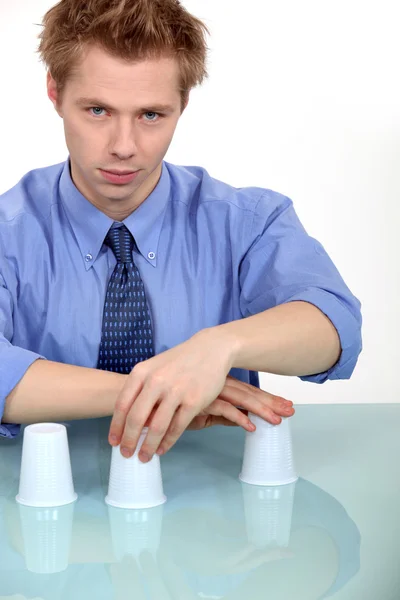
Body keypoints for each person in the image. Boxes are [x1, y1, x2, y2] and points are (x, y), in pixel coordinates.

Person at [0, 0, 362, 465]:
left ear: (183, 105)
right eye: (97, 110)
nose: (123, 147)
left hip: (218, 508)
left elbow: (335, 325)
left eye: (151, 114)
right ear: (55, 92)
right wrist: (159, 393)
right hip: (40, 504)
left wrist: (218, 347)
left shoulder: (247, 220)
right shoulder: (8, 230)